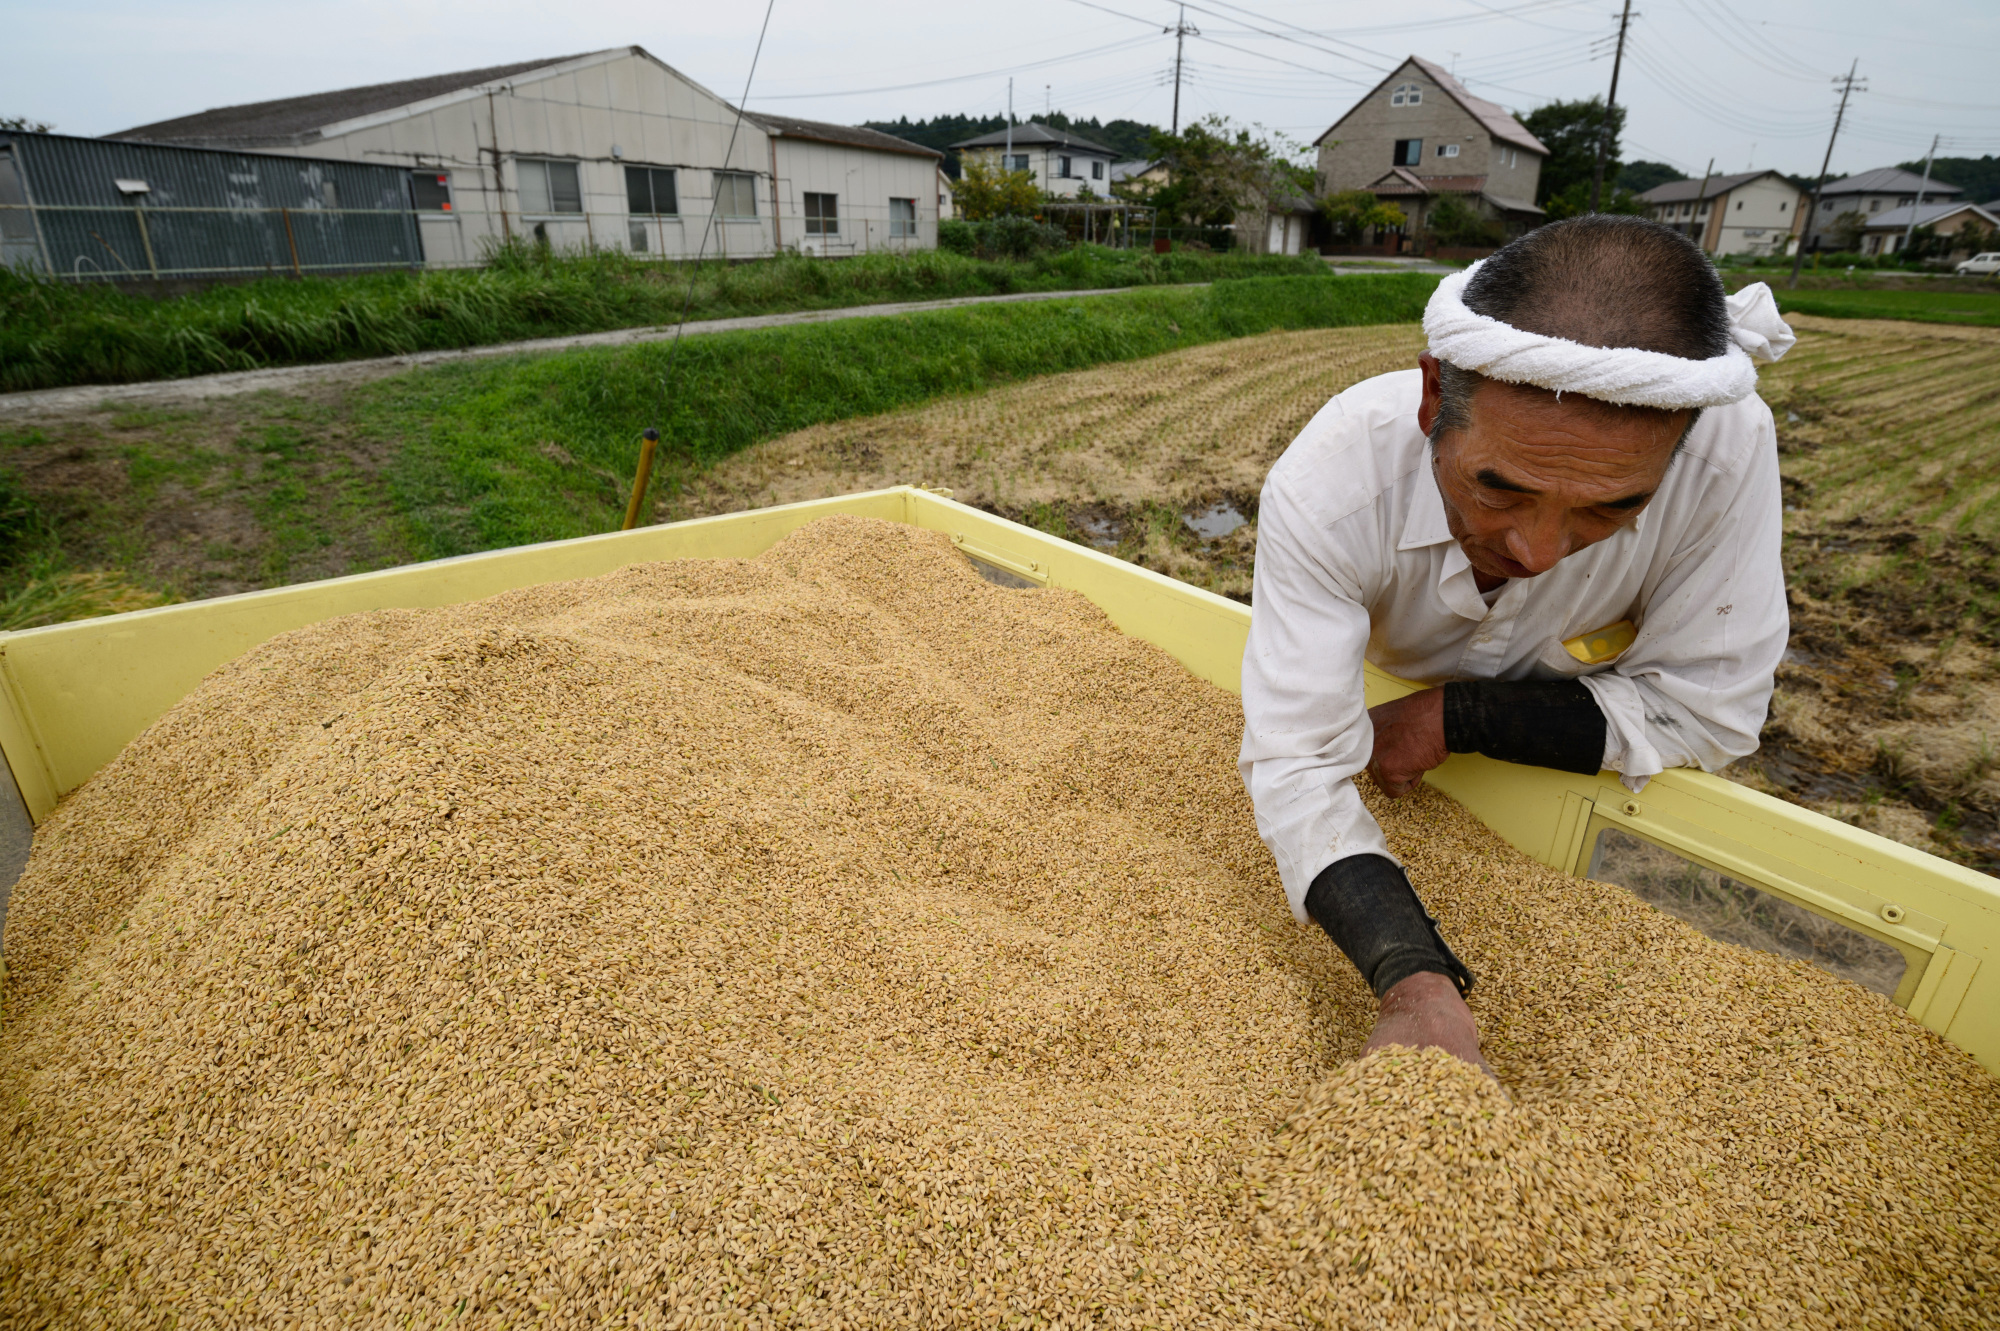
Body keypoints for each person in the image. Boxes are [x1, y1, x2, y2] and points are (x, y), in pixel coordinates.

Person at [1238, 215, 1797, 1074]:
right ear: (1434, 398)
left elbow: (1707, 708)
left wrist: (1459, 715)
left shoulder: (1725, 451)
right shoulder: (1333, 483)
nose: (1536, 551)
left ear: (1680, 446)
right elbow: (1300, 763)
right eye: (1499, 487)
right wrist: (1415, 980)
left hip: (1563, 698)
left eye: (1608, 508)